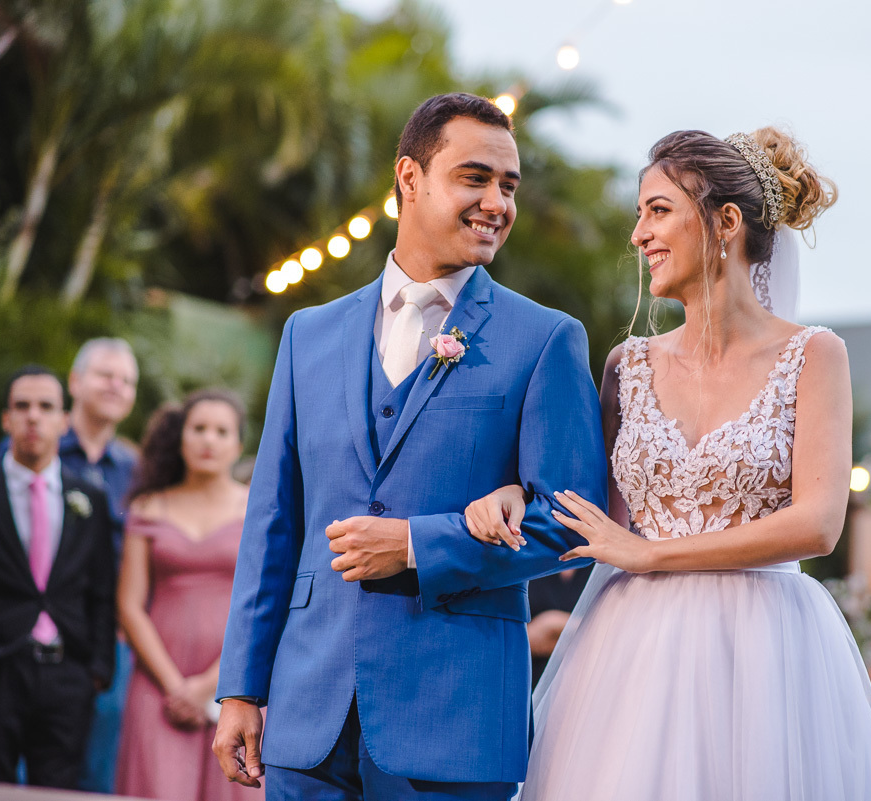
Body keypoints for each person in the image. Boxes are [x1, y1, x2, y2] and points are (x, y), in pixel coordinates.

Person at [466, 128, 871, 799]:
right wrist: (517, 496)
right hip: (633, 651)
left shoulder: (815, 355)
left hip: (765, 648)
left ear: (725, 221)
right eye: (639, 214)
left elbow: (818, 524)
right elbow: (592, 515)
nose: (638, 234)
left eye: (658, 209)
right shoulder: (626, 365)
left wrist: (650, 556)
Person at [212, 92, 607, 801]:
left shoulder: (545, 338)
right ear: (409, 179)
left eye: (509, 186)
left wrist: (420, 544)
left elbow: (570, 521)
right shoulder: (309, 333)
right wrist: (241, 686)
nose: (497, 203)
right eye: (475, 177)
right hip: (308, 711)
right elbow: (273, 522)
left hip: (453, 719)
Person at [0, 365, 116, 788]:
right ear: (6, 419)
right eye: (22, 406)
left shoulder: (89, 498)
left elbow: (102, 591)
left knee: (58, 792)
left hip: (68, 675)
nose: (33, 417)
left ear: (64, 419)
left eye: (46, 406)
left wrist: (96, 669)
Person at [0, 338, 140, 793]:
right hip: (22, 642)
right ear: (75, 383)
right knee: (12, 775)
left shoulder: (135, 469)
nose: (116, 386)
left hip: (108, 641)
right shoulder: (23, 445)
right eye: (105, 375)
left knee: (92, 769)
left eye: (126, 380)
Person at [116, 390, 251, 800]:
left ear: (238, 445)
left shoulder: (259, 509)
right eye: (198, 429)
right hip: (158, 686)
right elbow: (128, 604)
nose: (208, 439)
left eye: (221, 431)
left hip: (236, 685)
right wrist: (176, 687)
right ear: (181, 438)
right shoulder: (148, 507)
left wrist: (209, 685)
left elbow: (266, 603)